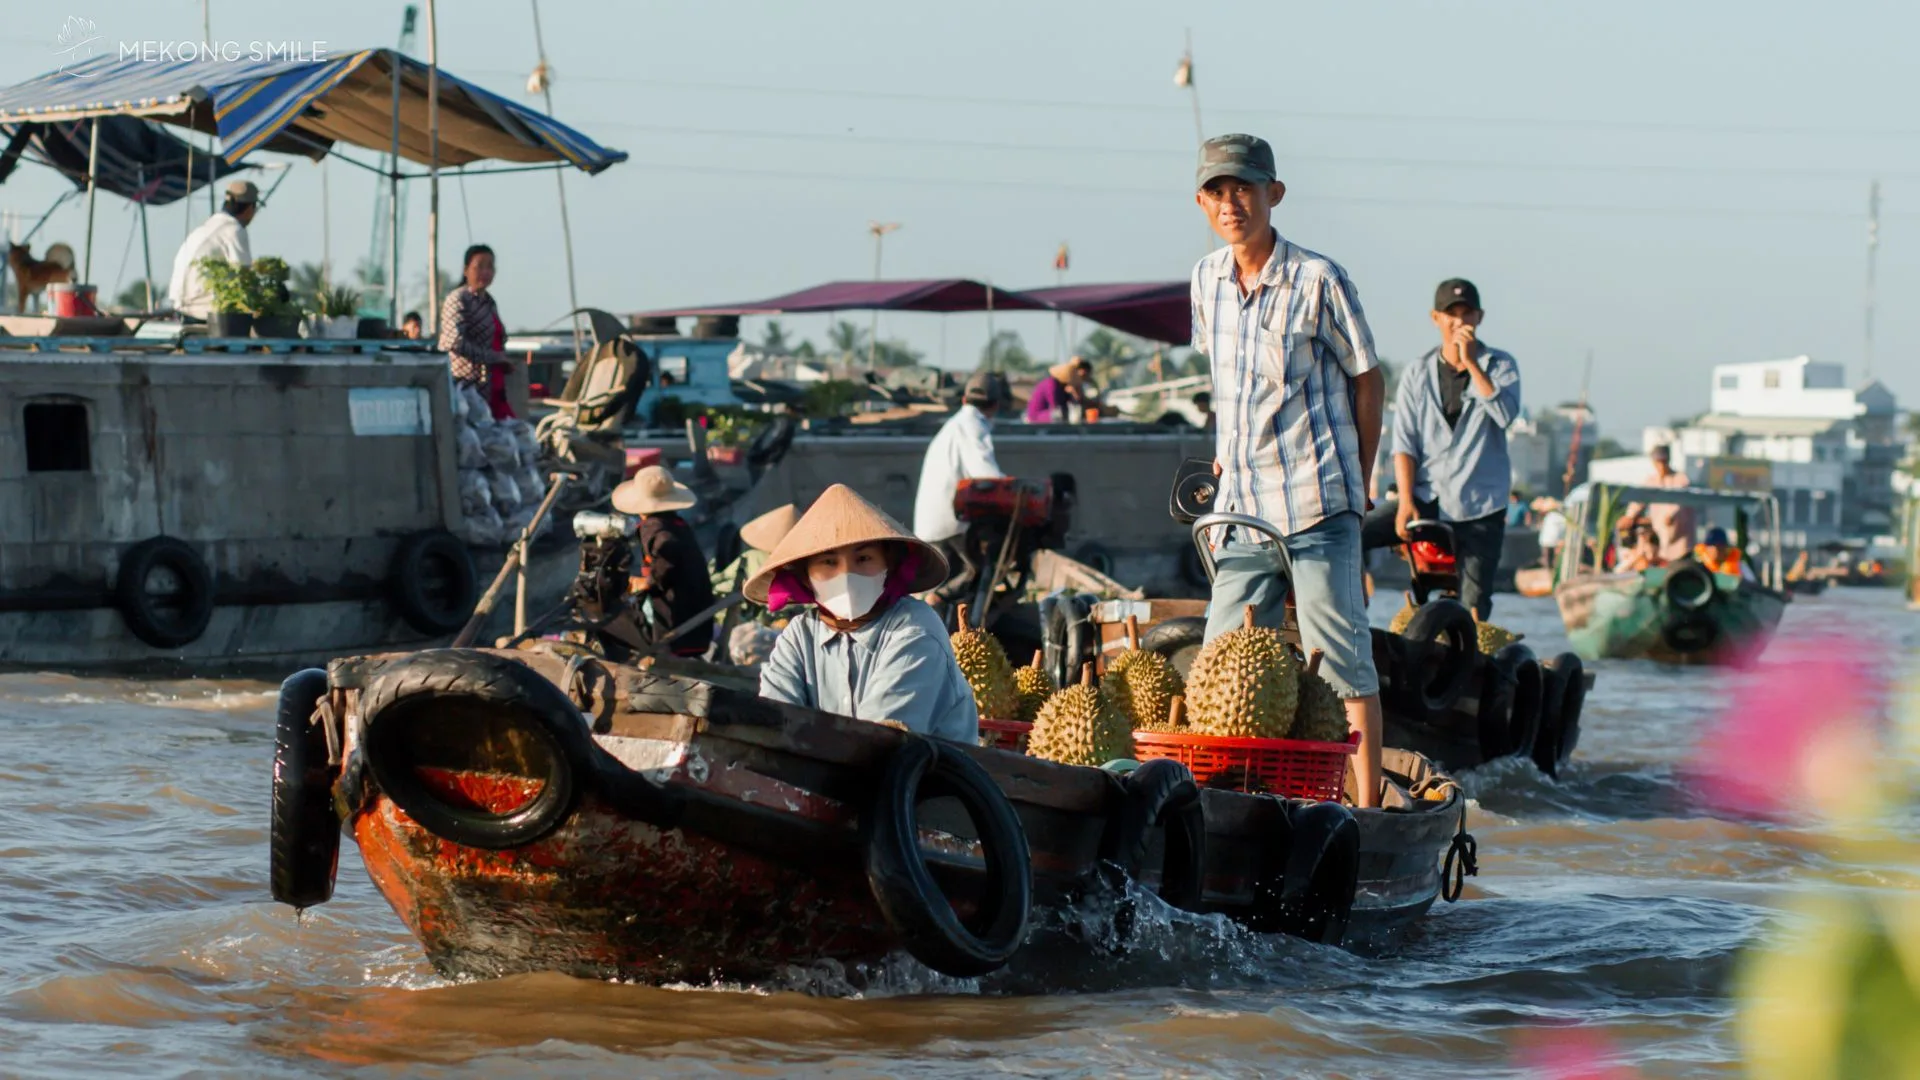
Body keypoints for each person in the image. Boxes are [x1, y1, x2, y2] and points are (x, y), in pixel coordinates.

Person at [1190, 133, 1388, 809]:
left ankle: (1365, 814)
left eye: (1243, 188)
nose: (1230, 202)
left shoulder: (1318, 279)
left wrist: (1359, 482)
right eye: (1217, 191)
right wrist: (1221, 458)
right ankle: (1231, 805)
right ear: (1202, 202)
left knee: (1341, 666)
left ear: (1273, 194)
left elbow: (1367, 377)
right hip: (1242, 510)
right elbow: (1227, 387)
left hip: (1315, 501)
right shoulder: (1205, 280)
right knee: (1223, 666)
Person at [753, 484, 978, 742]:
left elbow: (878, 739)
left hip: (926, 780)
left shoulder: (915, 628)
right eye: (829, 562)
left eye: (864, 559)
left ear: (889, 565)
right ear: (805, 577)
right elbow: (774, 721)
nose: (846, 575)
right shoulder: (799, 635)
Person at [1359, 278, 1522, 620]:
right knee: (1350, 533)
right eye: (1451, 314)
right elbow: (1404, 444)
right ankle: (1351, 612)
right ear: (1436, 318)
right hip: (1425, 496)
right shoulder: (1418, 372)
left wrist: (1472, 363)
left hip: (1480, 505)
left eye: (1466, 313)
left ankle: (1467, 655)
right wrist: (1404, 502)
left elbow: (1505, 415)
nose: (1458, 322)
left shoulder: (1501, 366)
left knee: (1474, 606)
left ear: (1479, 317)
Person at [913, 371, 1006, 606]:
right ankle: (938, 602)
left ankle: (942, 605)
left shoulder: (954, 425)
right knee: (978, 570)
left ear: (964, 400)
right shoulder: (973, 426)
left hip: (932, 520)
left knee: (954, 573)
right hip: (949, 521)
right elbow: (987, 475)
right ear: (995, 405)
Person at [612, 465, 716, 657]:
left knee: (609, 619)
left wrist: (648, 581)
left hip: (676, 627)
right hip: (696, 626)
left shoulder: (657, 530)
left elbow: (668, 551)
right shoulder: (677, 524)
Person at [439, 244, 517, 419]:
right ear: (466, 270)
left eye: (490, 267)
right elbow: (453, 341)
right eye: (479, 266)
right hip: (466, 388)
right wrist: (492, 357)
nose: (485, 272)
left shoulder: (489, 302)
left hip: (492, 387)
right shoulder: (458, 299)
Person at [167, 180, 262, 319]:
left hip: (180, 306)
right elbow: (244, 276)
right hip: (203, 311)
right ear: (250, 209)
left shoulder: (207, 227)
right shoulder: (234, 230)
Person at [1623, 445, 1695, 564]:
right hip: (1660, 542)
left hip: (1681, 542)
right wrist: (1629, 516)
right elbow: (1639, 499)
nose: (1661, 465)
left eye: (1664, 461)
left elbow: (1681, 502)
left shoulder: (1681, 479)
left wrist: (1672, 516)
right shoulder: (1651, 481)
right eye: (1658, 462)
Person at [1024, 357, 1090, 423]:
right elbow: (1054, 405)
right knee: (1059, 413)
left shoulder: (1063, 386)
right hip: (1037, 416)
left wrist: (1075, 393)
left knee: (1074, 412)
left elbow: (1074, 404)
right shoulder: (1051, 384)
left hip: (1054, 414)